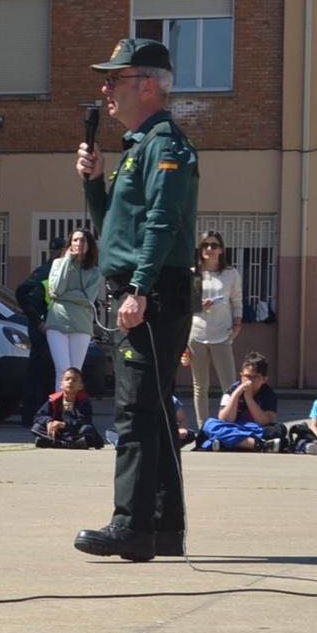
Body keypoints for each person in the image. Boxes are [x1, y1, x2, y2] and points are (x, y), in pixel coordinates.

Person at [73, 37, 198, 562]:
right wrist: (95, 184)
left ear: (147, 85)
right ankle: (163, 527)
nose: (106, 89)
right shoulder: (137, 148)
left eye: (115, 79)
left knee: (134, 413)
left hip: (152, 292)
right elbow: (114, 231)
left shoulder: (163, 145)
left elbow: (163, 225)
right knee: (151, 412)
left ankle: (131, 526)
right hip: (142, 287)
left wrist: (140, 289)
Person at [187, 230, 244, 428]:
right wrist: (200, 306)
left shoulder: (231, 274)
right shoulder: (194, 273)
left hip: (222, 335)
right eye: (205, 245)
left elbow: (237, 302)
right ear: (200, 249)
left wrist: (237, 325)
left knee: (229, 385)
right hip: (197, 335)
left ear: (221, 250)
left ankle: (229, 426)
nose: (209, 249)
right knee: (200, 387)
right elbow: (187, 306)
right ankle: (203, 428)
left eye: (214, 245)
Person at [45, 227, 103, 384]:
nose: (79, 243)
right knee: (62, 370)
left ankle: (72, 407)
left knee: (75, 372)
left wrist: (63, 296)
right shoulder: (58, 263)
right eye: (75, 240)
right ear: (70, 244)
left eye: (83, 240)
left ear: (90, 245)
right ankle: (60, 408)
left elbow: (87, 298)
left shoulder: (95, 271)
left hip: (81, 325)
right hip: (57, 323)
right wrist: (67, 261)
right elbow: (56, 289)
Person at [198, 352, 282, 453]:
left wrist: (249, 398)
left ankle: (226, 442)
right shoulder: (232, 390)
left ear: (264, 379)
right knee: (210, 424)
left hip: (254, 428)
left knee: (277, 430)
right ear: (241, 375)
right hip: (234, 426)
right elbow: (225, 419)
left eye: (255, 377)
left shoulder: (268, 394)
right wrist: (237, 393)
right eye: (246, 376)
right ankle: (258, 445)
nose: (249, 381)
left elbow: (265, 421)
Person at [13, 239, 59, 422]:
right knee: (42, 371)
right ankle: (36, 414)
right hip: (42, 328)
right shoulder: (45, 272)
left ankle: (38, 413)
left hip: (53, 326)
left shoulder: (60, 271)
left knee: (44, 371)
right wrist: (38, 322)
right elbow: (23, 293)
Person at [31, 367, 105, 449]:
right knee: (36, 427)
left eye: (74, 380)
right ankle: (71, 444)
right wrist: (49, 422)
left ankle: (55, 443)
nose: (70, 382)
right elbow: (39, 416)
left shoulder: (84, 401)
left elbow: (84, 420)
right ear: (61, 384)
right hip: (57, 432)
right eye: (67, 379)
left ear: (81, 386)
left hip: (74, 432)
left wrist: (64, 424)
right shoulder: (54, 399)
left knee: (88, 429)